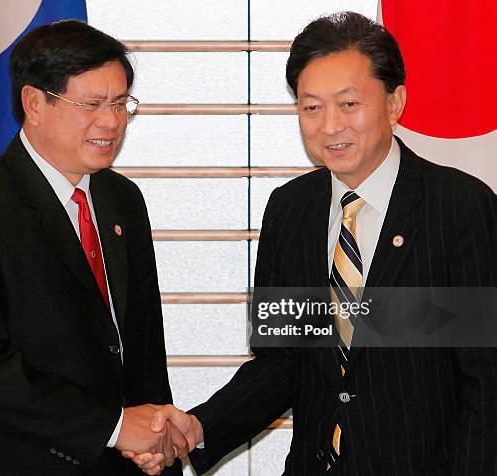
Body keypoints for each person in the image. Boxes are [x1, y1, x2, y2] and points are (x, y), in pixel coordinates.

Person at [126, 11, 497, 475]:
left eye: (349, 104)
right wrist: (198, 428)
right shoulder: (290, 210)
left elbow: (487, 383)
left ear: (395, 101)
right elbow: (282, 363)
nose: (329, 127)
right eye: (311, 107)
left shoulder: (460, 208)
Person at [0, 20, 185, 475]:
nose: (112, 121)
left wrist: (157, 442)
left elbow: (142, 348)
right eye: (92, 104)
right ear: (34, 103)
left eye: (121, 103)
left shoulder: (123, 200)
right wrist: (114, 427)